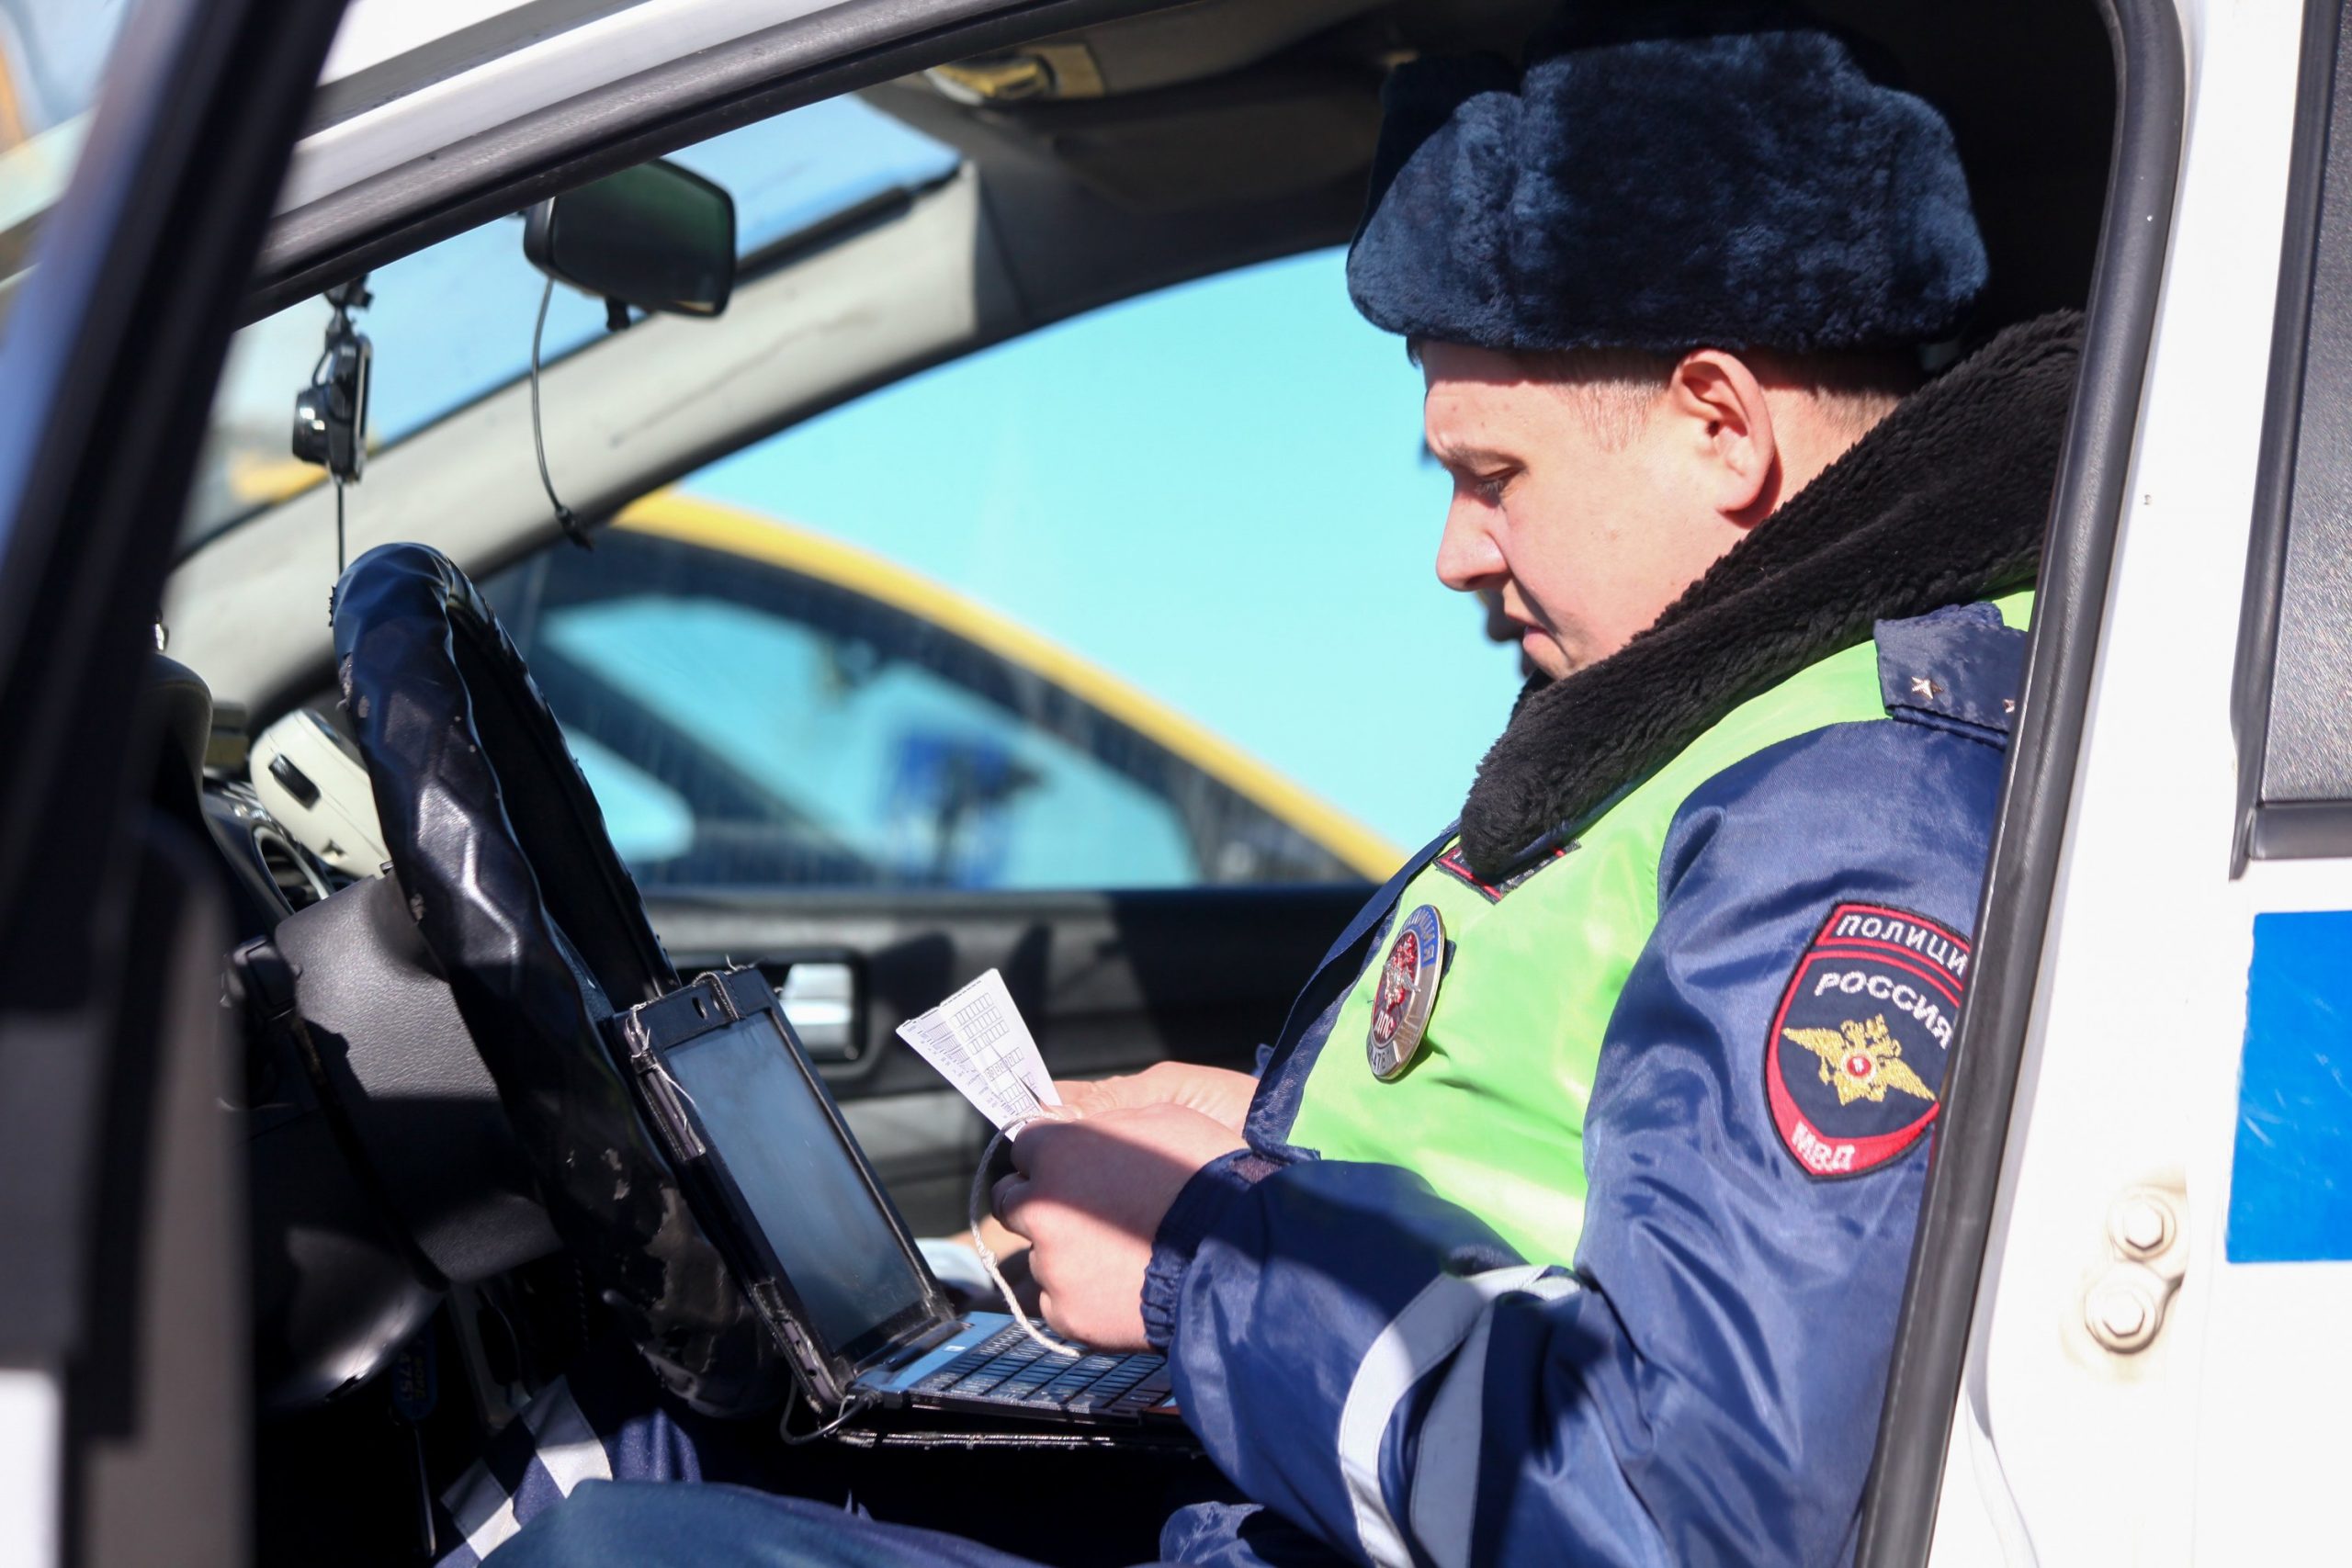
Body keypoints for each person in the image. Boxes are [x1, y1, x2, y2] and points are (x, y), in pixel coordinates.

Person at [453, 8, 2082, 1565]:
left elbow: (1679, 1513)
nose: (1454, 553)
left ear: (1721, 427)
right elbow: (1579, 1182)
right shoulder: (1718, 723)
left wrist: (1207, 1250)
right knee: (651, 1443)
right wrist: (1273, 1145)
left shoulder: (1853, 809)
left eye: (1490, 475)